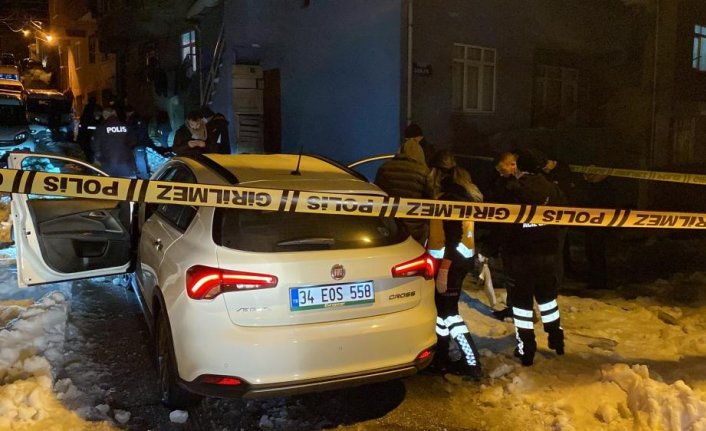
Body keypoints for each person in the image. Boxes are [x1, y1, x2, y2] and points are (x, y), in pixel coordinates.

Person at [493, 148, 567, 366]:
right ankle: (557, 338)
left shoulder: (512, 191)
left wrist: (491, 247)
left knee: (522, 306)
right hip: (547, 254)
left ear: (520, 167)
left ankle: (527, 349)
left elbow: (502, 225)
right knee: (548, 300)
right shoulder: (553, 190)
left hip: (519, 257)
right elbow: (566, 217)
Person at [426, 150, 483, 380]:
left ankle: (472, 361)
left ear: (437, 172)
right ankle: (441, 357)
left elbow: (453, 237)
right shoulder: (461, 194)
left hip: (451, 263)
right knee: (442, 313)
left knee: (450, 315)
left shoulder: (450, 198)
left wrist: (444, 270)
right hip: (458, 261)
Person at [374, 139, 430, 245]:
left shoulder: (385, 168)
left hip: (391, 223)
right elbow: (430, 198)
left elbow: (378, 193)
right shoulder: (424, 172)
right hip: (415, 225)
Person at [541, 152, 577, 282]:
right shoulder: (546, 175)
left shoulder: (563, 175)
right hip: (550, 219)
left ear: (553, 161)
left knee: (558, 250)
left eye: (546, 164)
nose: (544, 167)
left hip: (561, 218)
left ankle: (558, 278)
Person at [92, 107, 137, 177]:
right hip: (126, 163)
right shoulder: (125, 126)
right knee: (129, 183)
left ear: (104, 116)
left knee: (111, 183)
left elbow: (95, 146)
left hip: (108, 164)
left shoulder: (101, 128)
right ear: (115, 114)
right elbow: (133, 141)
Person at [125, 105, 152, 179]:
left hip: (138, 144)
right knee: (141, 161)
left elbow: (135, 132)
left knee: (140, 162)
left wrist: (133, 143)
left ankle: (145, 179)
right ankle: (144, 177)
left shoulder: (134, 120)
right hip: (140, 143)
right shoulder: (137, 118)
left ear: (128, 112)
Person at [76, 97, 100, 162]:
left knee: (87, 149)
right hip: (92, 133)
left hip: (85, 133)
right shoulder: (96, 108)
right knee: (92, 149)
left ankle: (89, 160)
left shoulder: (87, 108)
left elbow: (83, 120)